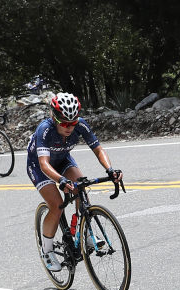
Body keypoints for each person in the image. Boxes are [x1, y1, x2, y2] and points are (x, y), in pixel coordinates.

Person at [26, 92, 122, 271]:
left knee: (81, 188)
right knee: (57, 205)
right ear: (54, 118)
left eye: (73, 122)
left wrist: (110, 170)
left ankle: (83, 231)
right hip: (40, 166)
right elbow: (44, 164)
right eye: (64, 123)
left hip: (62, 160)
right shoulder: (45, 129)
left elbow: (98, 150)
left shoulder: (80, 125)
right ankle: (47, 251)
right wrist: (61, 181)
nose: (69, 127)